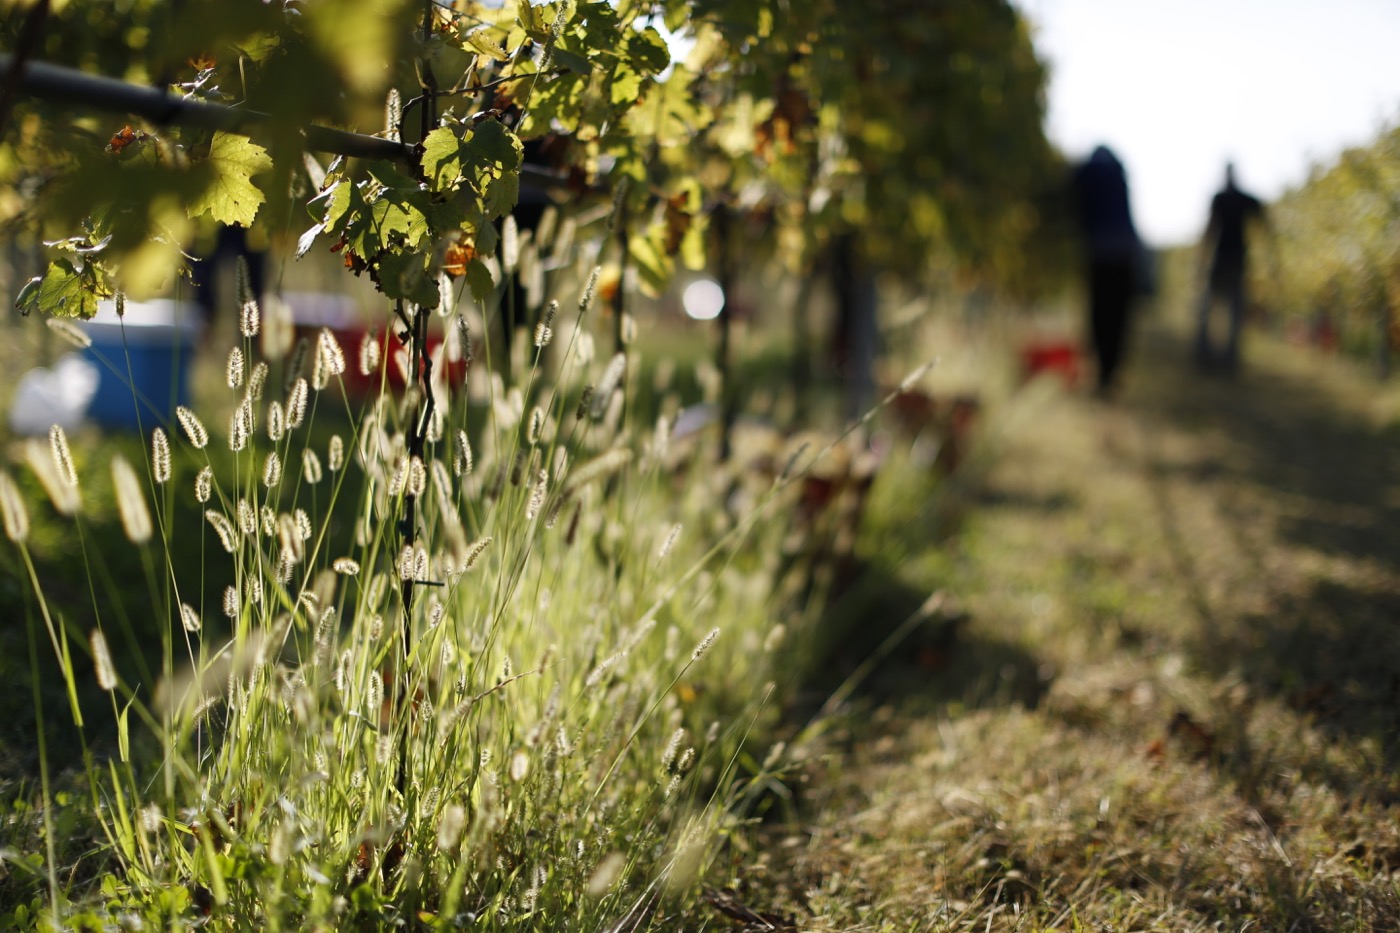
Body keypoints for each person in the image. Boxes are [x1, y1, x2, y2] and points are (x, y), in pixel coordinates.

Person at [1072, 145, 1142, 394]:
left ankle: (1103, 374)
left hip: (1100, 251)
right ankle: (1110, 372)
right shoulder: (1120, 173)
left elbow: (1074, 203)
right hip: (1125, 252)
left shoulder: (1086, 171)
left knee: (1101, 313)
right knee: (1119, 316)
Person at [1197, 162, 1264, 372]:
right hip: (1235, 260)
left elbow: (1209, 229)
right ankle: (1225, 358)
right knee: (1230, 310)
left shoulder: (1223, 198)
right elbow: (1264, 224)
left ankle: (1209, 355)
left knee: (1213, 307)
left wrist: (1201, 260)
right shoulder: (1243, 199)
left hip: (1226, 260)